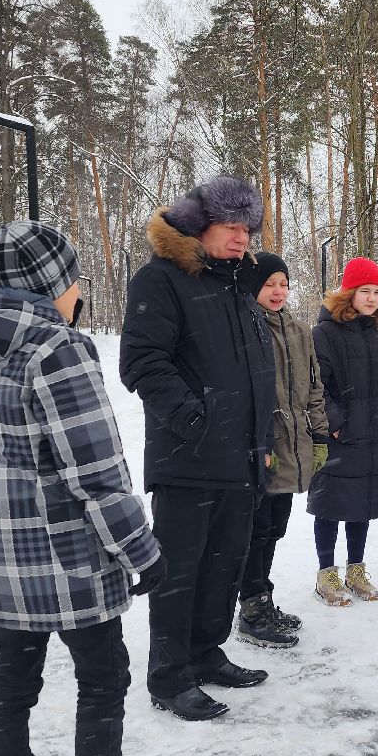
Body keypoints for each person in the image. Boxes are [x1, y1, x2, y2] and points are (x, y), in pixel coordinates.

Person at [0, 220, 181, 756]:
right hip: (71, 559)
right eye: (72, 276)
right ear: (53, 284)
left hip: (4, 558)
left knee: (12, 682)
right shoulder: (57, 350)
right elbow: (98, 472)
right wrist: (143, 551)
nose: (79, 288)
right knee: (102, 678)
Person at [119, 176, 277, 722]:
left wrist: (261, 439)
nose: (242, 239)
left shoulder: (236, 287)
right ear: (199, 227)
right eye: (231, 228)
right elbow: (141, 362)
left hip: (240, 458)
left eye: (247, 230)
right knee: (180, 572)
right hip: (188, 461)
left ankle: (206, 654)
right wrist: (194, 419)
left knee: (224, 566)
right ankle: (169, 676)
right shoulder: (160, 280)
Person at [236, 252, 329, 647]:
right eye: (269, 284)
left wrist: (320, 435)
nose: (278, 291)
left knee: (275, 528)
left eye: (283, 284)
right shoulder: (243, 326)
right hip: (260, 445)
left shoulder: (298, 329)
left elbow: (313, 387)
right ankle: (251, 607)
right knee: (255, 531)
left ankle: (263, 598)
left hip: (293, 443)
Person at [307, 256, 378, 605]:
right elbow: (317, 386)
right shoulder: (325, 334)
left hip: (374, 435)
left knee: (363, 503)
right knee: (331, 504)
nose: (372, 298)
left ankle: (355, 568)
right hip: (341, 436)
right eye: (364, 291)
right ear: (348, 294)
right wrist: (337, 423)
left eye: (377, 292)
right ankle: (326, 572)